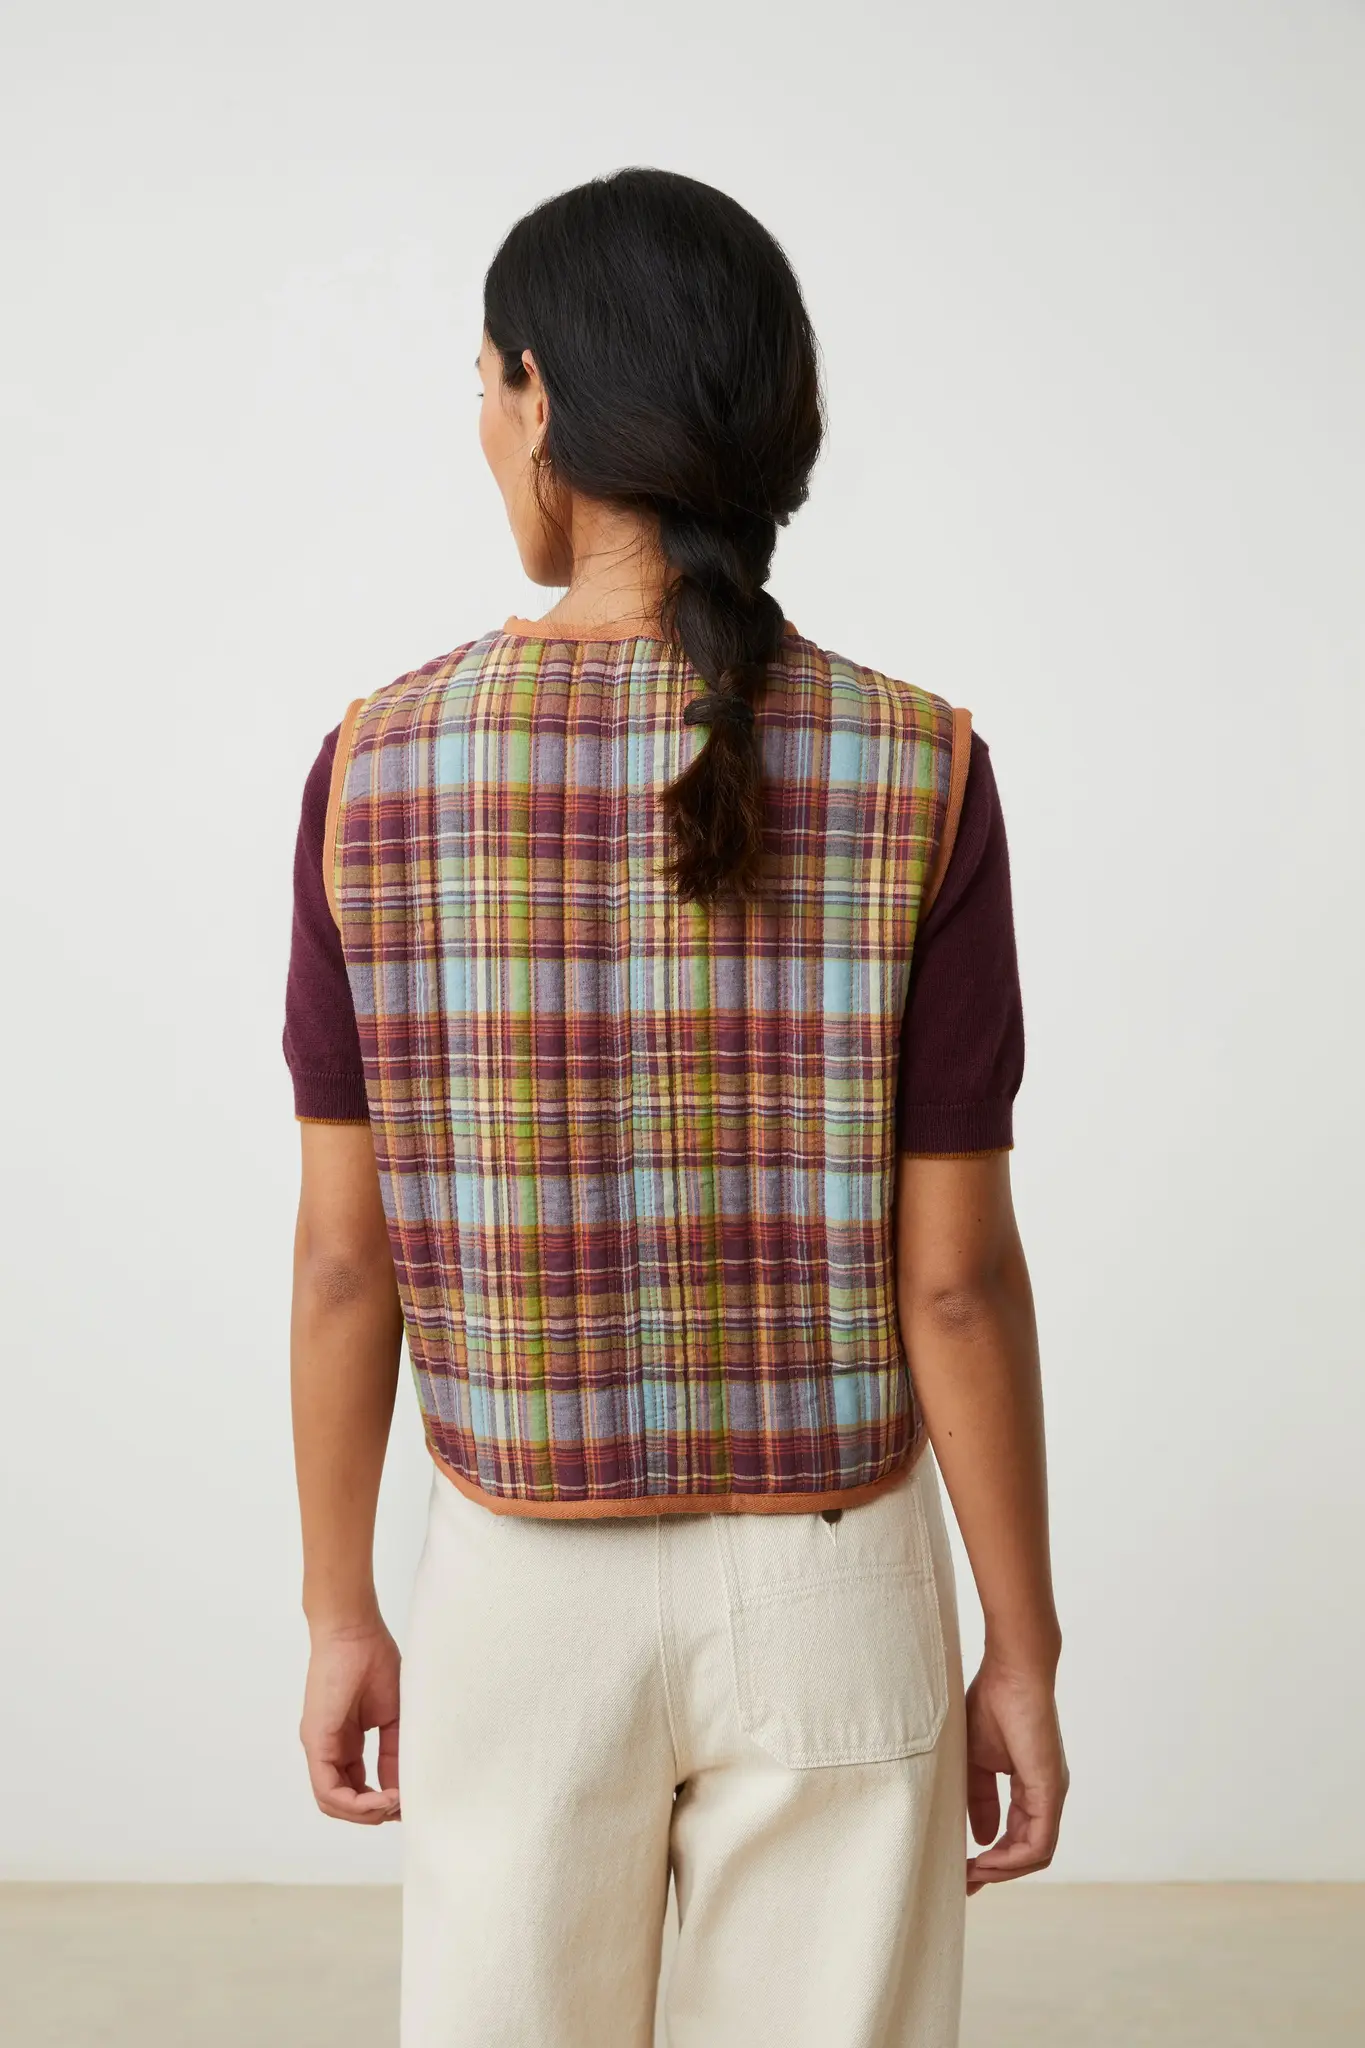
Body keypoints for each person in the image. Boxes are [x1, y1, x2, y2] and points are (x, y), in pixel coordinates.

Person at [283, 166, 1067, 2048]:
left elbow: (342, 1265)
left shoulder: (376, 769)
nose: (485, 427)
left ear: (542, 400)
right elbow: (955, 1285)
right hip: (836, 1587)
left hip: (519, 1588)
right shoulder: (923, 768)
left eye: (487, 384)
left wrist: (339, 1610)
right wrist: (1022, 1646)